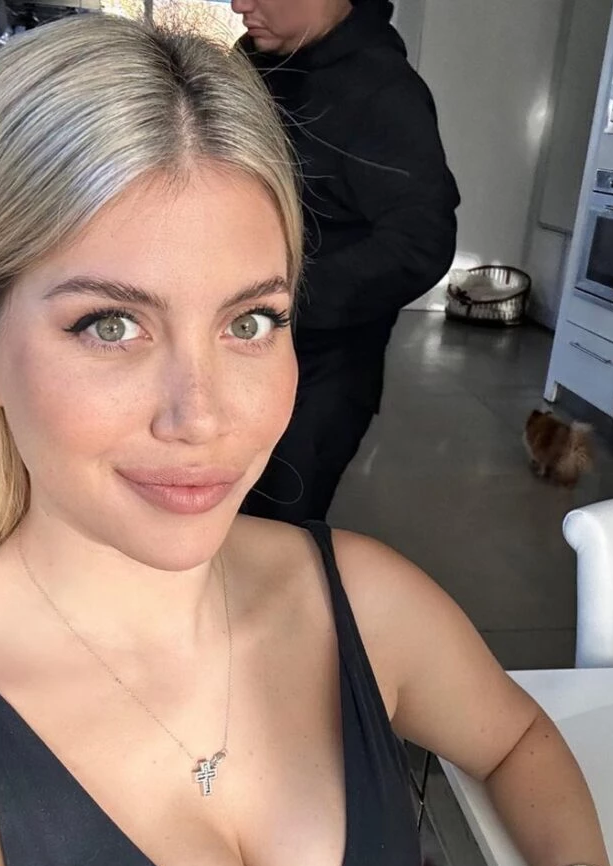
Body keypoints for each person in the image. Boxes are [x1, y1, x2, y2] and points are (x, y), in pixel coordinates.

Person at [0, 15, 613, 866]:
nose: (204, 416)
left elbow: (516, 735)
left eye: (250, 320)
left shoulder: (359, 598)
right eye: (111, 324)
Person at [235, 0, 459, 523]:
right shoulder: (252, 64)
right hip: (235, 350)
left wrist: (274, 305)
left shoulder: (382, 93)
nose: (240, 4)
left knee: (277, 526)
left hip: (318, 376)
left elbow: (420, 242)